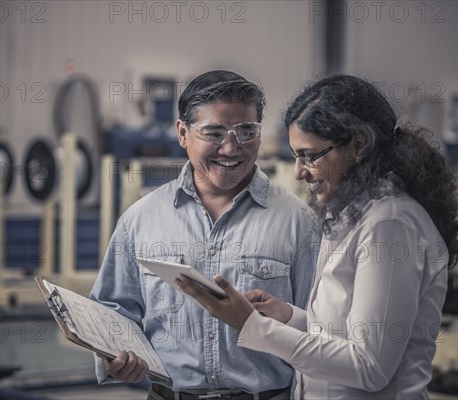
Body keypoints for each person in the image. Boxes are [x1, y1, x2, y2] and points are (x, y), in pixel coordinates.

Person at [177, 74, 458, 399]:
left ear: (358, 144)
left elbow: (369, 366)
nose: (299, 172)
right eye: (295, 156)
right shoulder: (352, 214)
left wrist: (254, 328)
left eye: (310, 156)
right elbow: (342, 336)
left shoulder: (390, 224)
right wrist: (288, 316)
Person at [90, 70, 321, 399]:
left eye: (246, 131)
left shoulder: (299, 222)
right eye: (214, 133)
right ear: (183, 133)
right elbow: (112, 310)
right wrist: (114, 356)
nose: (231, 148)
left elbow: (322, 327)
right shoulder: (140, 220)